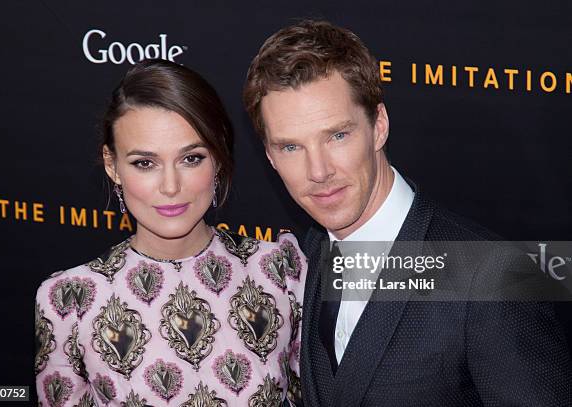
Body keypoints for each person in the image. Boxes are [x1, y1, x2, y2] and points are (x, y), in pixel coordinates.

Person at [243, 20, 571, 406]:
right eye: (291, 148)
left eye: (337, 135)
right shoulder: (307, 256)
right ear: (269, 156)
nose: (319, 171)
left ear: (378, 126)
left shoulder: (492, 278)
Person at [35, 59, 305, 406]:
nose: (171, 186)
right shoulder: (68, 300)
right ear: (112, 166)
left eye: (191, 158)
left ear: (218, 159)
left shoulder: (280, 270)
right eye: (144, 163)